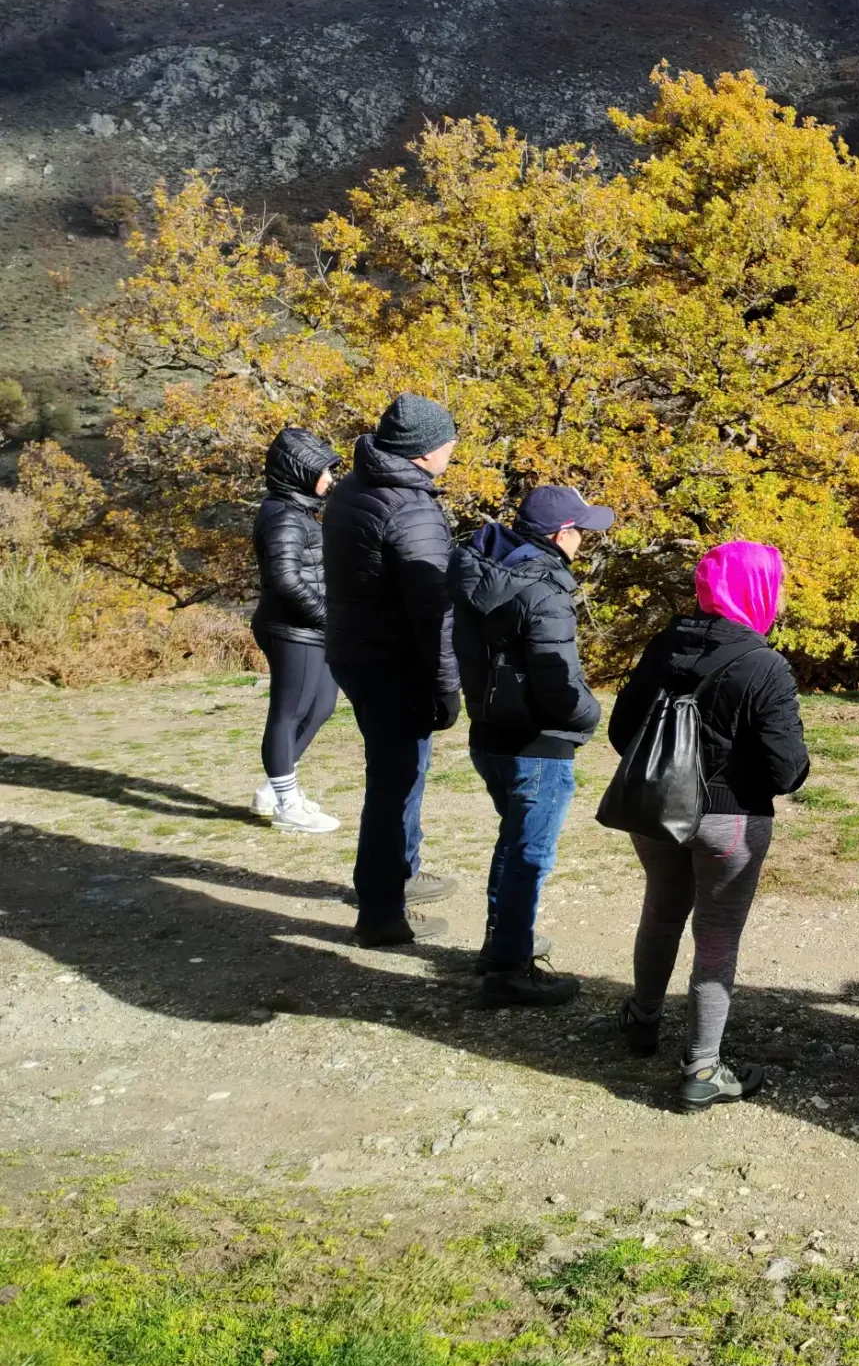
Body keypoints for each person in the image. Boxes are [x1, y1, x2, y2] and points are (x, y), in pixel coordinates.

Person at [609, 542, 809, 1110]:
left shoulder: (663, 645)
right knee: (716, 938)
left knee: (661, 912)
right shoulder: (764, 665)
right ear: (761, 591)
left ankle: (642, 1020)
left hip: (654, 811)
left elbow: (624, 733)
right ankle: (701, 1067)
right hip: (732, 821)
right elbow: (787, 770)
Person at [449, 484, 615, 1010]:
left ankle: (503, 944)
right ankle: (508, 969)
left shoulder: (480, 573)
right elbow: (558, 682)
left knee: (513, 844)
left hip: (489, 735)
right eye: (581, 531)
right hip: (538, 745)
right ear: (561, 534)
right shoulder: (544, 590)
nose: (584, 541)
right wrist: (592, 715)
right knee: (530, 856)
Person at [324, 394, 463, 947]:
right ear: (425, 451)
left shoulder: (355, 488)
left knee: (400, 775)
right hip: (392, 663)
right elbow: (433, 610)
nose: (454, 448)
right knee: (395, 784)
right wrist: (447, 684)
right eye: (449, 440)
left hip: (356, 651)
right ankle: (381, 912)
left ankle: (402, 875)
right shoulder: (410, 508)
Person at [250, 426, 343, 834]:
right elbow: (286, 580)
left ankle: (274, 789)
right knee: (287, 714)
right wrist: (329, 615)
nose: (329, 479)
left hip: (309, 628)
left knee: (321, 705)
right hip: (293, 630)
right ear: (298, 472)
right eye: (323, 471)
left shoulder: (296, 510)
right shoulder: (285, 517)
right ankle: (287, 804)